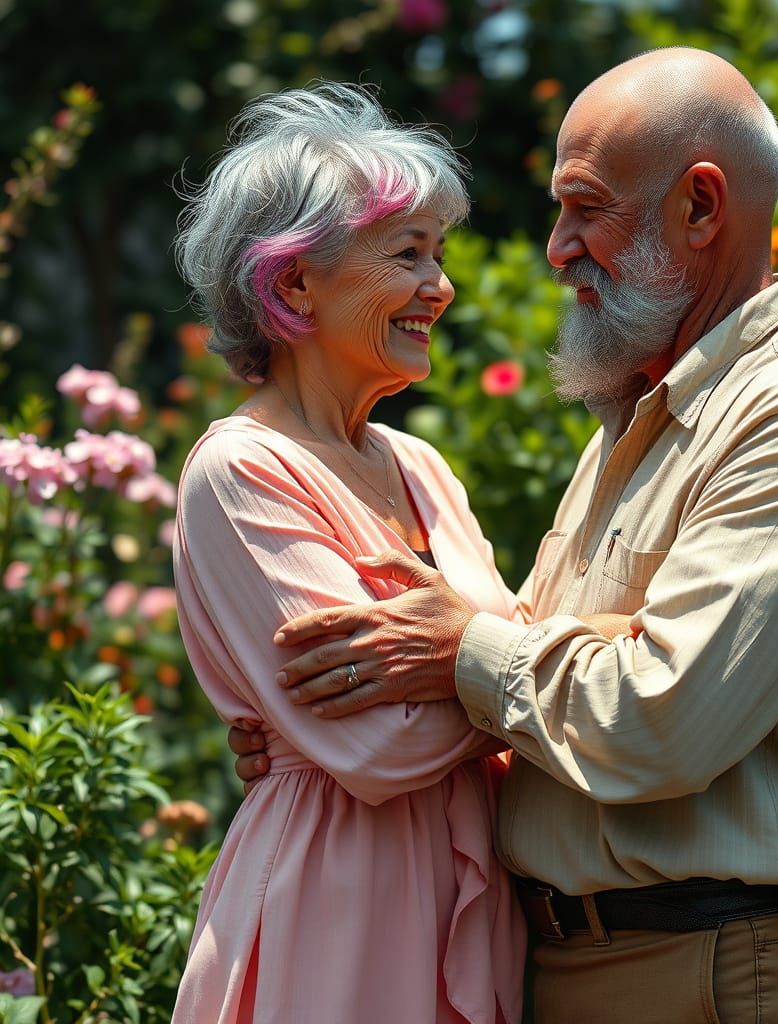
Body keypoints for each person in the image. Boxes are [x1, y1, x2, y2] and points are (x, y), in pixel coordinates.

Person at [233, 48, 778, 1023]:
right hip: (593, 963)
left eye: (583, 207)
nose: (555, 247)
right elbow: (541, 687)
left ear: (699, 206)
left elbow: (656, 719)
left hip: (710, 974)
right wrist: (317, 729)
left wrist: (449, 652)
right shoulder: (647, 412)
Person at [170, 82, 530, 1023]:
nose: (441, 286)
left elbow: (504, 660)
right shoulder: (241, 469)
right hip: (336, 908)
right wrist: (520, 670)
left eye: (439, 253)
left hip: (465, 895)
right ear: (293, 284)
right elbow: (379, 745)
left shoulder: (418, 466)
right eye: (407, 255)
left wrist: (471, 665)